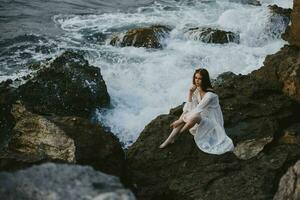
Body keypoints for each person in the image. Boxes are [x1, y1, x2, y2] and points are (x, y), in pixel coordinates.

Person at [159, 68, 234, 155]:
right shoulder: (196, 91)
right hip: (202, 117)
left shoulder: (210, 95)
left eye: (200, 79)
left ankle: (178, 134)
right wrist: (190, 93)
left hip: (212, 123)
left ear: (205, 80)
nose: (197, 81)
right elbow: (189, 108)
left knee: (194, 116)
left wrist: (180, 121)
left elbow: (197, 109)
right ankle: (169, 139)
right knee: (185, 113)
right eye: (196, 78)